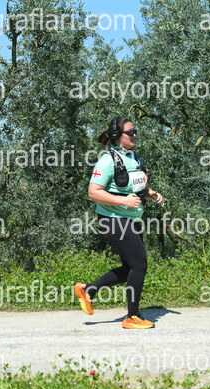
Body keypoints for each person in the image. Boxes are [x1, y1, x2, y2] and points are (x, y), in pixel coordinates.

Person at [75, 117, 165, 329]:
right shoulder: (107, 160)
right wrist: (123, 201)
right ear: (118, 136)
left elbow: (135, 186)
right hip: (113, 219)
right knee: (139, 264)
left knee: (130, 268)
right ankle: (132, 316)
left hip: (132, 218)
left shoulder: (133, 157)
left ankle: (88, 290)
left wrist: (150, 193)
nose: (135, 135)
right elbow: (93, 192)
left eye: (135, 130)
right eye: (131, 132)